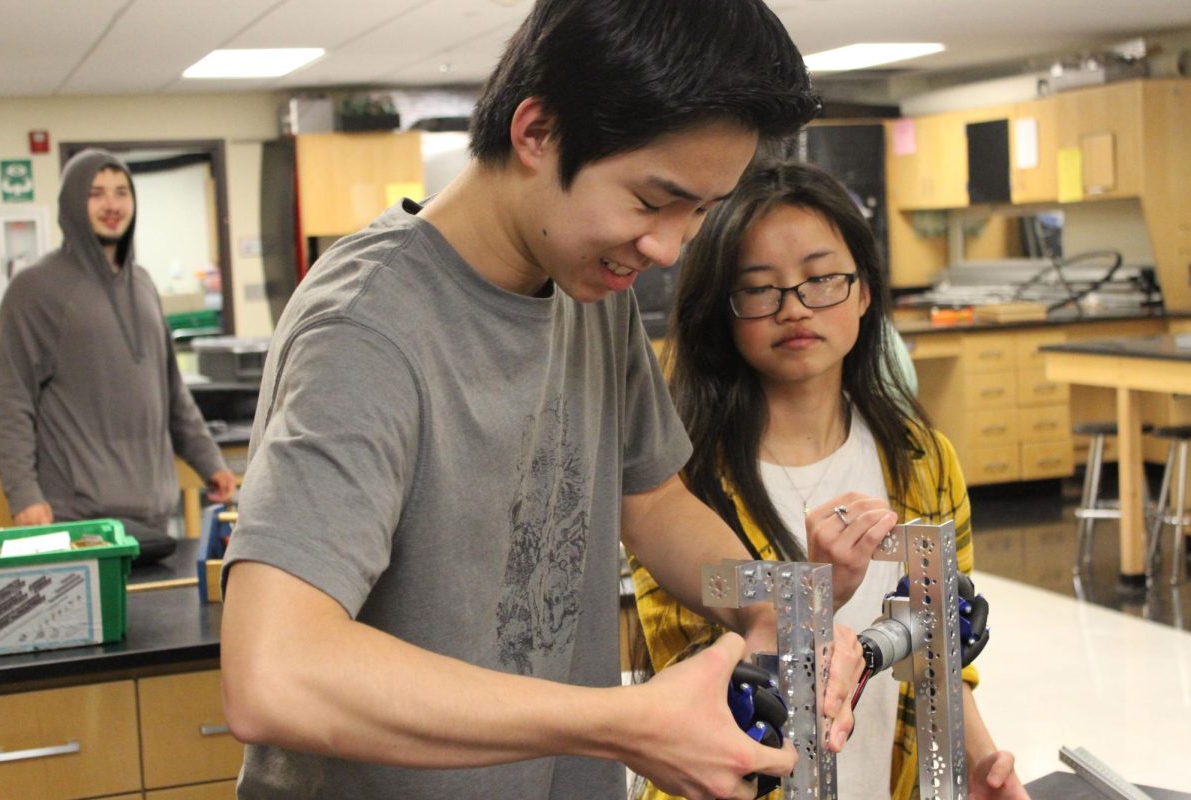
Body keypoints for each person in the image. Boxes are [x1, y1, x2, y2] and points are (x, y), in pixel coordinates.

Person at [218, 2, 865, 799]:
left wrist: (767, 603)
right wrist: (620, 721)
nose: (668, 248)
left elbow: (653, 502)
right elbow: (275, 672)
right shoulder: (366, 330)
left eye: (698, 211)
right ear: (536, 132)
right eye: (650, 200)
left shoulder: (591, 285)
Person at [630, 160, 1028, 800]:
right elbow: (704, 694)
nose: (795, 308)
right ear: (722, 312)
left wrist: (976, 761)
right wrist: (816, 598)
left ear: (864, 292)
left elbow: (939, 653)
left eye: (821, 279)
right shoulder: (674, 487)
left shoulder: (922, 459)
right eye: (759, 288)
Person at [0, 149, 236, 558]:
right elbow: (11, 397)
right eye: (97, 193)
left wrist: (210, 461)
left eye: (122, 192)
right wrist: (23, 494)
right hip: (76, 519)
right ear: (72, 202)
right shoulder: (35, 289)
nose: (112, 204)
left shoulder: (142, 284)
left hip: (154, 513)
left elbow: (172, 392)